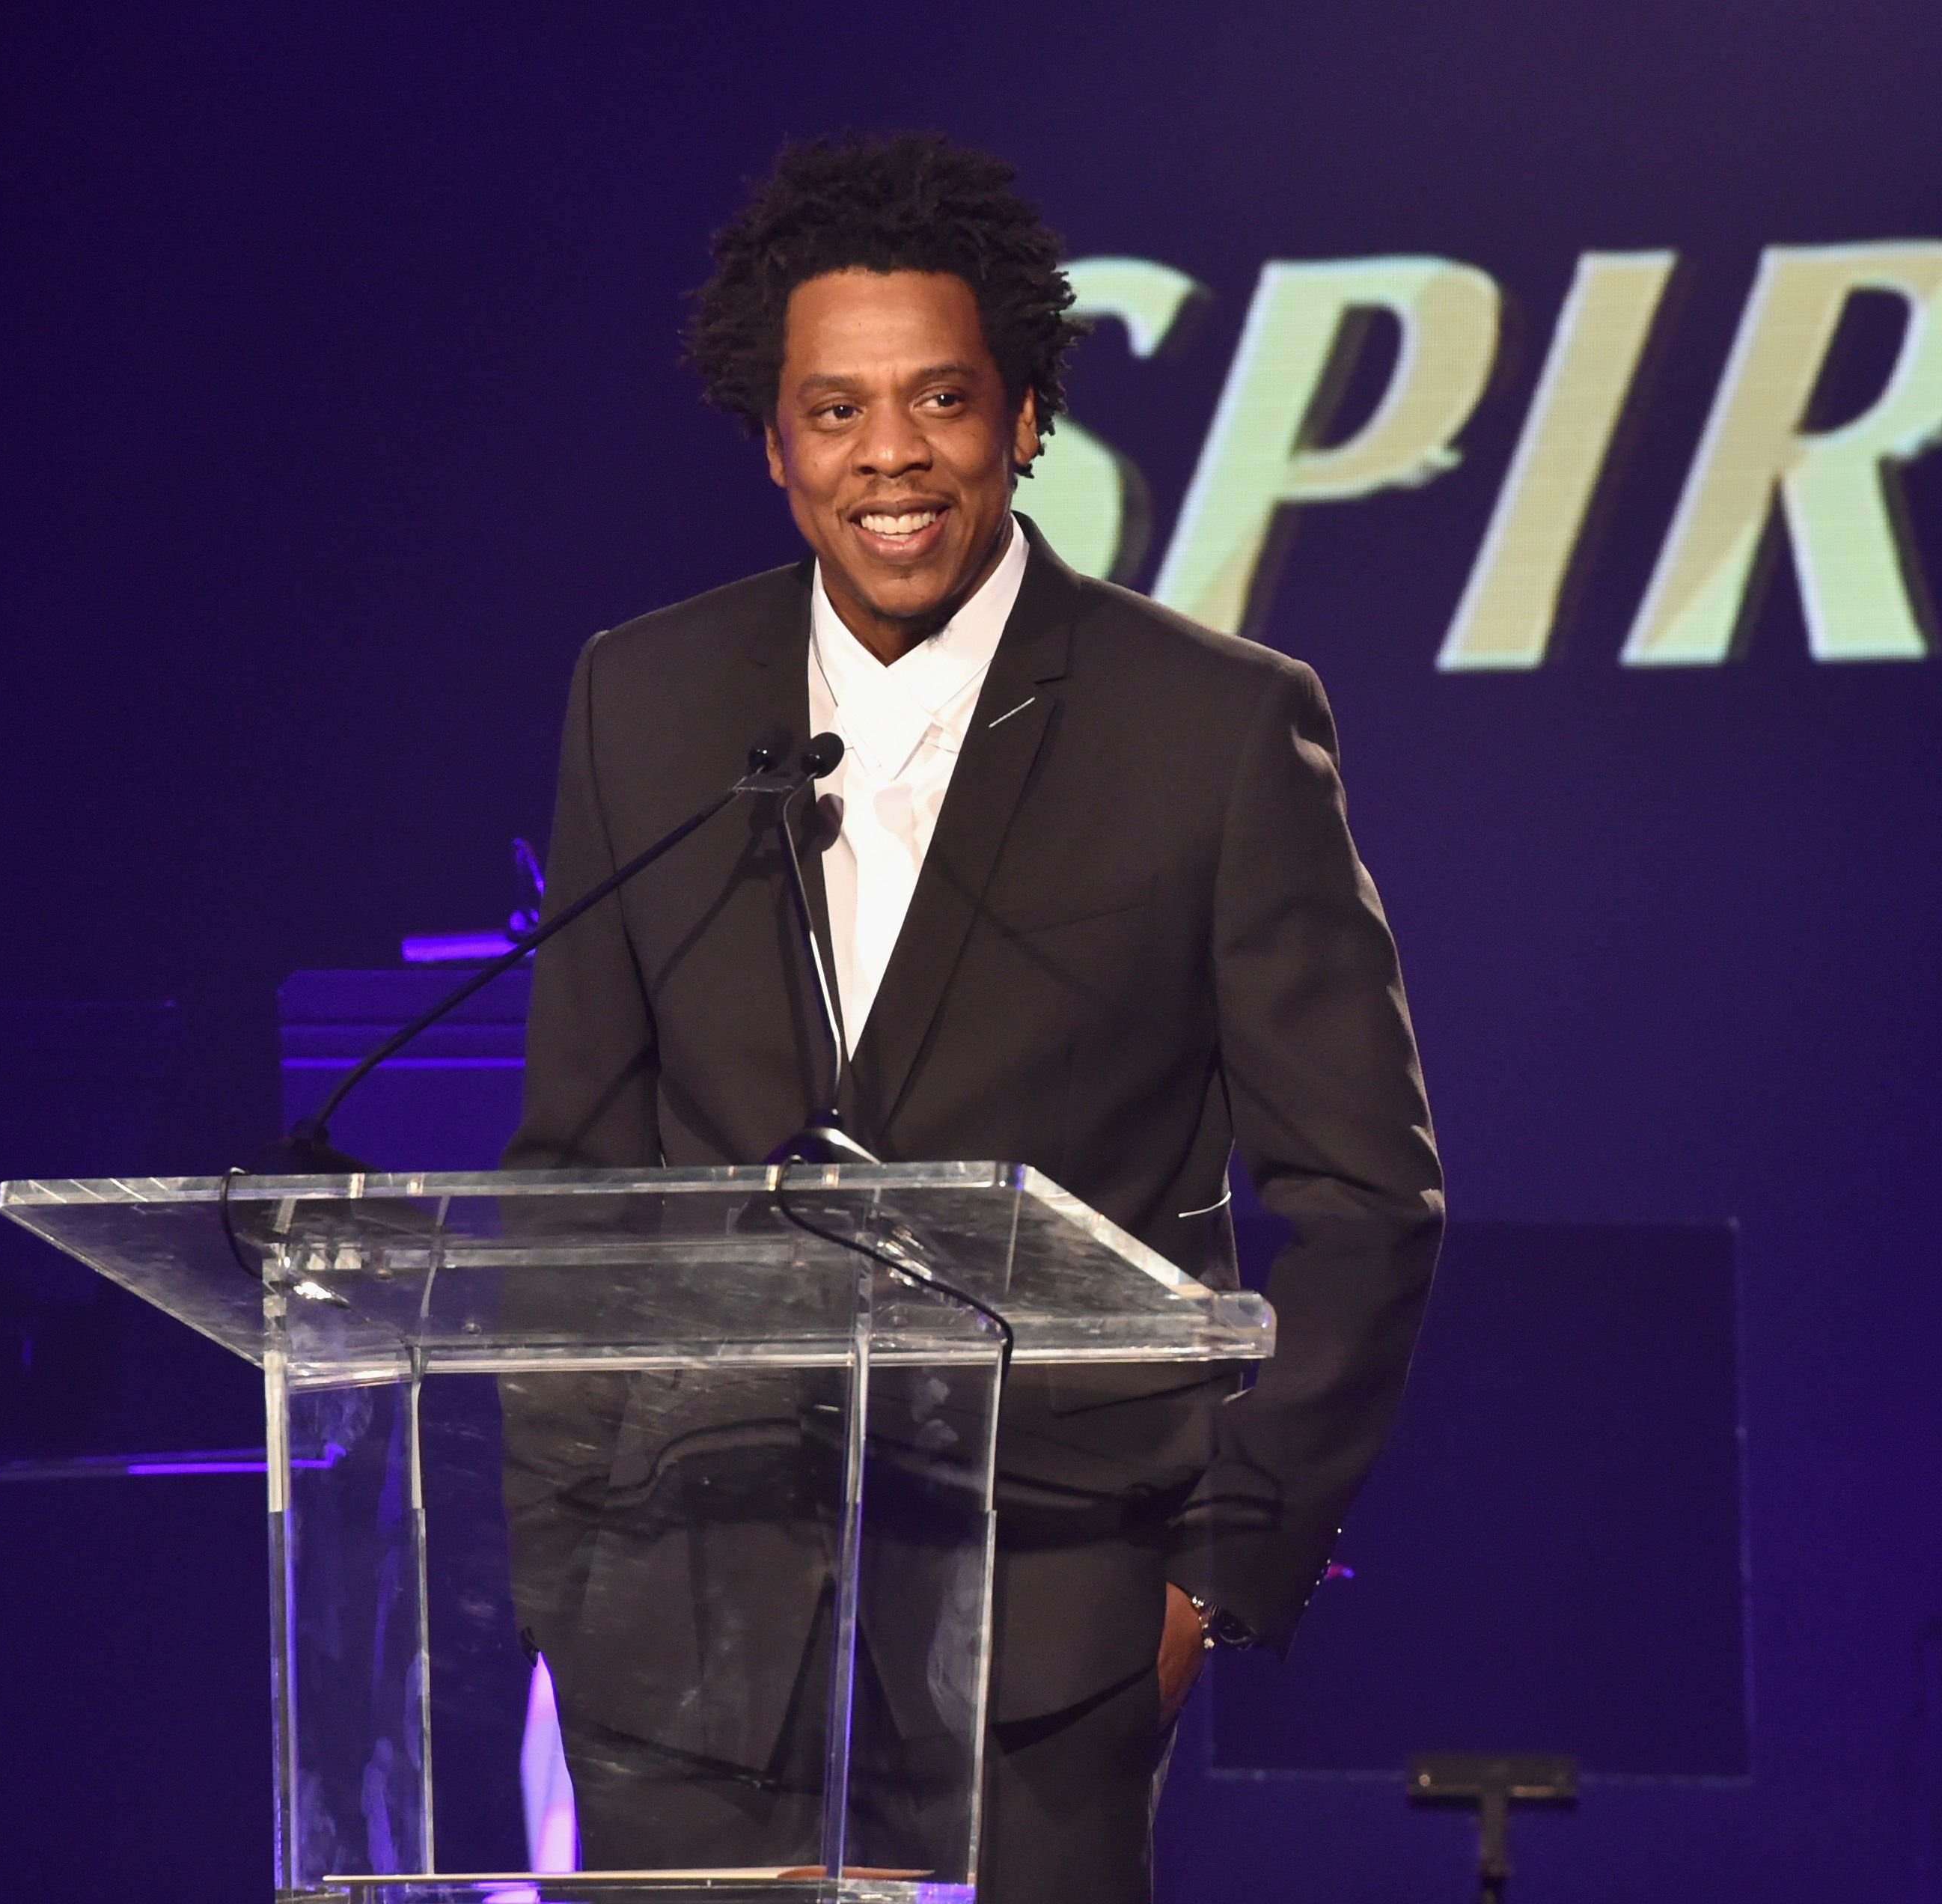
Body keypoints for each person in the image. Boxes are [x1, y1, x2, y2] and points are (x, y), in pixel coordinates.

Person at [501, 132, 1442, 1903]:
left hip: (1047, 1643)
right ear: (774, 439)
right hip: (681, 1640)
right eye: (836, 411)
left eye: (938, 401)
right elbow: (578, 1177)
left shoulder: (1214, 727)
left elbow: (1370, 1201)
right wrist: (567, 1560)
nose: (891, 460)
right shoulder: (646, 696)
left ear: (1024, 416)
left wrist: (1210, 1584)